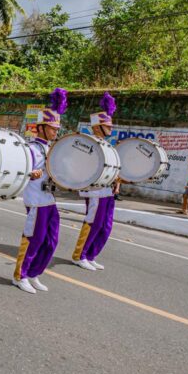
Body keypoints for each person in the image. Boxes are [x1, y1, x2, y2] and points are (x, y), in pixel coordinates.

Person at [13, 88, 67, 294]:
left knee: (52, 240)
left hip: (49, 199)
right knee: (33, 238)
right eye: (52, 128)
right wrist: (30, 172)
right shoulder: (32, 149)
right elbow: (20, 170)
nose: (56, 132)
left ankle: (34, 273)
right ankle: (20, 275)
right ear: (42, 128)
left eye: (56, 128)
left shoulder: (51, 149)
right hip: (35, 198)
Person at [71, 91, 118, 271]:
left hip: (107, 190)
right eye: (108, 125)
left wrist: (117, 181)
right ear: (97, 127)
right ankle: (79, 255)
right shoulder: (88, 143)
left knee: (106, 225)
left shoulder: (107, 144)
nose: (111, 128)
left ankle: (91, 255)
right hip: (94, 189)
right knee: (93, 222)